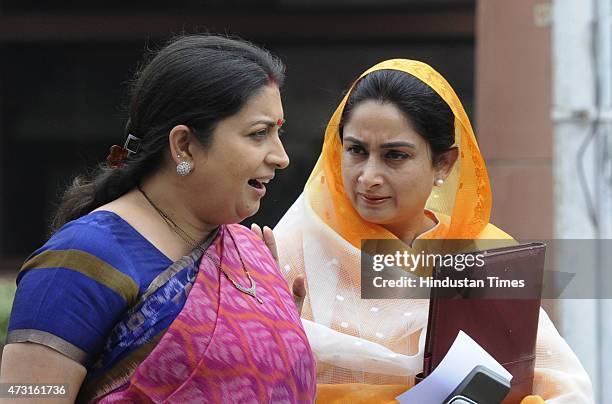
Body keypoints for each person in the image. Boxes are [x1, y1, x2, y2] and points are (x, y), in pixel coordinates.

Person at [1, 35, 316, 403]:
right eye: (259, 133)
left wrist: (274, 338)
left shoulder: (248, 252)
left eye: (279, 133)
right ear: (183, 145)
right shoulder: (83, 257)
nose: (281, 157)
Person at [273, 59, 593, 403]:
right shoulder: (297, 247)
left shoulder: (480, 253)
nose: (368, 176)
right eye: (356, 151)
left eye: (394, 155)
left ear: (444, 163)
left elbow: (564, 385)